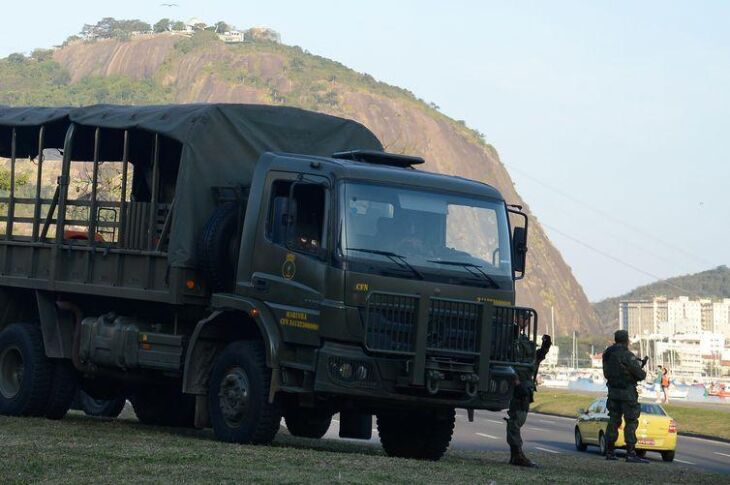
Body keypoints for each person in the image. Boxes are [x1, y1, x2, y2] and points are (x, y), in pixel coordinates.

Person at [505, 313, 551, 467]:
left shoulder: (522, 339)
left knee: (520, 417)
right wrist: (516, 383)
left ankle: (516, 454)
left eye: (527, 319)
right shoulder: (508, 336)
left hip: (525, 383)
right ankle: (516, 454)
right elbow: (505, 360)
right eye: (524, 318)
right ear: (516, 318)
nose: (526, 321)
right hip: (517, 383)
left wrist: (544, 349)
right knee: (516, 419)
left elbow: (533, 360)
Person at [602, 330, 649, 463]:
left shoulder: (607, 353)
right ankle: (630, 453)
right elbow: (640, 375)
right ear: (626, 340)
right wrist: (640, 368)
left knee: (613, 421)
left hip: (613, 392)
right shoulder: (627, 355)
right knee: (631, 422)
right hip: (627, 393)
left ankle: (610, 451)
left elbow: (607, 373)